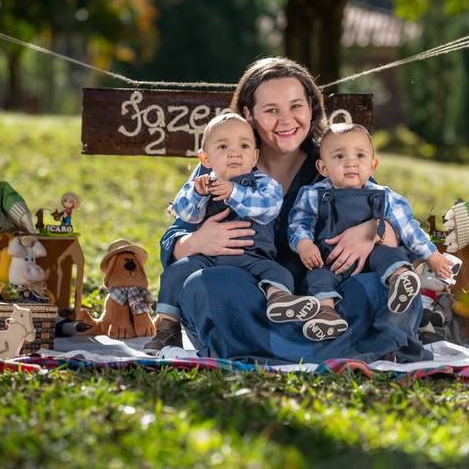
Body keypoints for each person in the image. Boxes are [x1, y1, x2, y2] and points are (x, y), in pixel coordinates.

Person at [157, 57, 439, 363]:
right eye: (271, 110)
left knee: (383, 285)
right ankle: (354, 348)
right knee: (204, 284)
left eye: (296, 106)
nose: (286, 120)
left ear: (311, 108)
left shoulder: (332, 160)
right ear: (249, 114)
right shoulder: (224, 160)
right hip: (252, 298)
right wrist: (195, 242)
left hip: (327, 302)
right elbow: (174, 240)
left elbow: (395, 226)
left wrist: (374, 230)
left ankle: (262, 348)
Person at [145, 113, 319, 353]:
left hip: (253, 260)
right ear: (205, 158)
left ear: (255, 156)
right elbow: (183, 213)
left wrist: (232, 192)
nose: (235, 153)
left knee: (279, 273)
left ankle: (279, 301)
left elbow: (267, 208)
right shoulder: (202, 184)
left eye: (244, 146)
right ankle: (167, 329)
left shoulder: (265, 183)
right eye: (223, 147)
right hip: (207, 260)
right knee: (176, 272)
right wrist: (197, 194)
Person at [288, 123, 453, 342]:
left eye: (360, 155)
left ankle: (400, 280)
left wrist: (431, 256)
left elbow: (408, 228)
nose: (351, 163)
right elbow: (299, 224)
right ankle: (327, 314)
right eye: (339, 156)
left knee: (390, 254)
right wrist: (304, 244)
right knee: (316, 278)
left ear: (372, 165)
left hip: (374, 260)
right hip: (330, 261)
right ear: (323, 167)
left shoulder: (384, 196)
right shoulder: (312, 195)